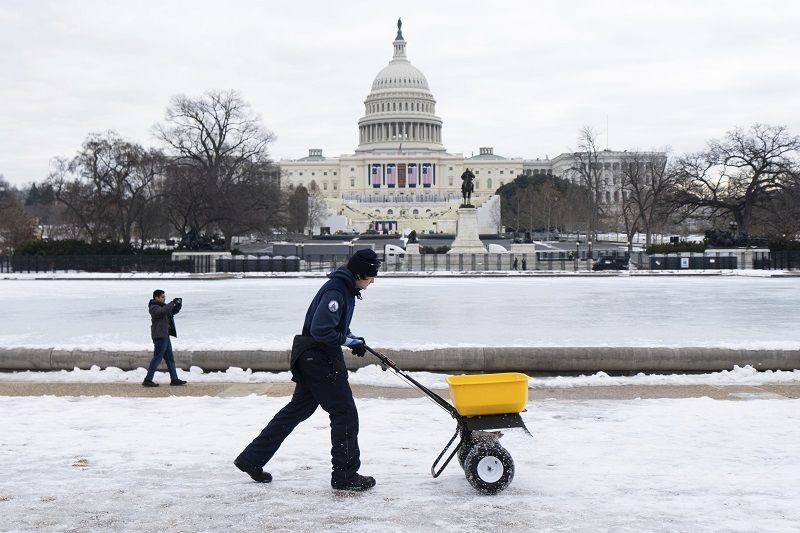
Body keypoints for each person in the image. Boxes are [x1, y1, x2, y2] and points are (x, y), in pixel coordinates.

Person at [234, 249, 382, 492]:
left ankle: (252, 458)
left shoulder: (344, 288)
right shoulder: (337, 290)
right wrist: (346, 341)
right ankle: (345, 474)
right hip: (319, 358)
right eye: (370, 276)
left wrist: (351, 337)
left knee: (296, 411)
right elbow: (321, 330)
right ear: (359, 273)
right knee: (344, 412)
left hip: (312, 356)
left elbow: (332, 326)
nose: (372, 281)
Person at [143, 289, 186, 387]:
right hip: (159, 336)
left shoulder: (164, 306)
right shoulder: (153, 307)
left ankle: (174, 379)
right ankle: (147, 380)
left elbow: (171, 311)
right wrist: (172, 303)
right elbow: (162, 311)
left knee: (170, 359)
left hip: (165, 336)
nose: (164, 298)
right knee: (157, 359)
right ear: (156, 297)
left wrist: (178, 305)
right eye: (162, 297)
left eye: (164, 297)